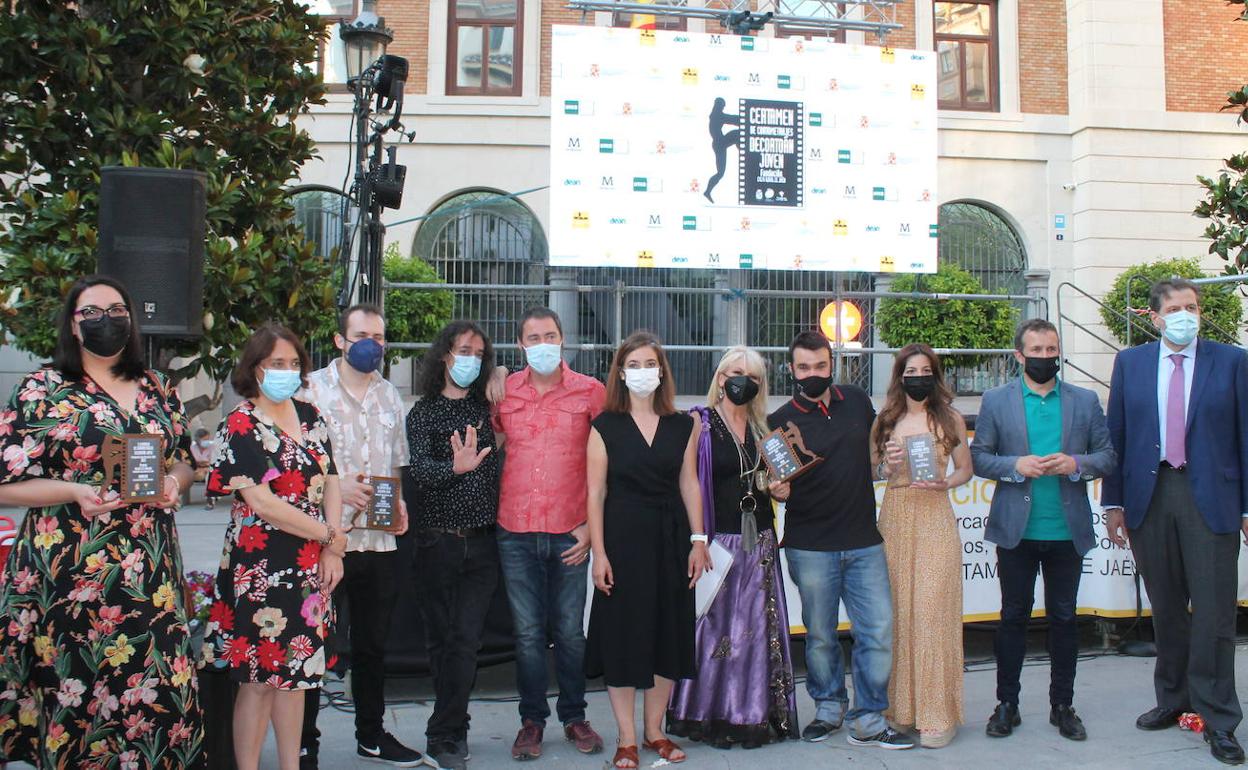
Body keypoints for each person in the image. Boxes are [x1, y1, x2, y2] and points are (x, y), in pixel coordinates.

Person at [0, 275, 205, 769]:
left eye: (115, 310)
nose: (104, 320)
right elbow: (5, 484)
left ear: (131, 320)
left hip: (149, 578)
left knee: (161, 701)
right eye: (90, 312)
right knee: (80, 705)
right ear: (72, 325)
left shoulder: (156, 388)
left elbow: (182, 460)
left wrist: (176, 483)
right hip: (71, 573)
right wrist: (73, 491)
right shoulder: (42, 389)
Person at [1102, 279, 1248, 765]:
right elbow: (1117, 435)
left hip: (1211, 498)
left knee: (1213, 613)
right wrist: (1114, 503)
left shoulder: (1231, 361)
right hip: (1150, 495)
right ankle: (1173, 697)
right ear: (1155, 316)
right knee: (1166, 608)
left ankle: (1219, 718)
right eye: (1176, 308)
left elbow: (1246, 436)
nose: (1187, 315)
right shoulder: (1131, 363)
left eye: (1193, 307)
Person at [201, 323, 345, 770]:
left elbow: (332, 481)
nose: (286, 371)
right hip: (260, 567)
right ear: (255, 369)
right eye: (275, 364)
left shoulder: (311, 416)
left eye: (292, 364)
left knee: (297, 677)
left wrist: (333, 546)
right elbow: (262, 503)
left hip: (310, 566)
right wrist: (328, 536)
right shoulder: (240, 423)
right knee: (259, 679)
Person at [971, 318, 1115, 743]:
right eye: (1037, 352)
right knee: (1013, 617)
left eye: (1052, 351)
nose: (1046, 358)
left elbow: (1106, 456)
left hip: (1067, 531)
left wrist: (1077, 464)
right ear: (1020, 356)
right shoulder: (997, 400)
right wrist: (1015, 466)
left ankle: (1063, 705)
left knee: (1065, 619)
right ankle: (1007, 704)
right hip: (1016, 530)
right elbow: (980, 457)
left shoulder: (1084, 400)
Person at [768, 330, 912, 750]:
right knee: (820, 635)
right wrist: (778, 490)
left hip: (865, 541)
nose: (813, 374)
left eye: (820, 366)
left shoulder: (858, 401)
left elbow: (873, 459)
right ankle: (828, 708)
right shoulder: (778, 422)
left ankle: (868, 716)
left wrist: (889, 464)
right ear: (791, 370)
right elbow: (778, 482)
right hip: (809, 545)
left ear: (832, 364)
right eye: (804, 368)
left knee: (878, 630)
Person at [299, 304, 428, 768]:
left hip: (378, 542)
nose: (371, 342)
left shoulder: (390, 395)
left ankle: (370, 736)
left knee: (374, 644)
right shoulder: (309, 390)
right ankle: (303, 742)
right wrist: (335, 485)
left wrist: (401, 507)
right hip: (324, 540)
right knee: (312, 645)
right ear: (340, 340)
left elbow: (394, 464)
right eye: (361, 334)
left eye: (379, 335)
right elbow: (297, 466)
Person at [585, 331, 710, 769]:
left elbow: (689, 483)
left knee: (667, 635)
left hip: (673, 539)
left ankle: (655, 731)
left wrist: (699, 539)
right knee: (623, 636)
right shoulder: (604, 426)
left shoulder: (685, 425)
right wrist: (599, 553)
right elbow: (595, 494)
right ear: (620, 372)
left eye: (649, 364)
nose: (642, 372)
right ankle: (626, 738)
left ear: (662, 371)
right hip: (622, 540)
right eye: (633, 364)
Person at [667, 346, 800, 749]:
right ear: (720, 377)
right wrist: (696, 538)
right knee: (713, 632)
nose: (743, 381)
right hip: (717, 540)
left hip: (759, 541)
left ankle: (750, 713)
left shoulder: (766, 430)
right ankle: (710, 713)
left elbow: (784, 487)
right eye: (736, 372)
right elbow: (686, 482)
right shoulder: (699, 423)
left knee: (754, 633)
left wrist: (782, 489)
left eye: (753, 376)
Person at [493, 307, 606, 761]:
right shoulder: (503, 392)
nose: (543, 343)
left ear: (563, 340)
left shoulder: (590, 392)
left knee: (570, 633)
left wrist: (591, 528)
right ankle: (531, 721)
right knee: (526, 634)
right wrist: (495, 374)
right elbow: (491, 444)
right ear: (521, 344)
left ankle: (575, 716)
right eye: (533, 337)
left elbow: (607, 463)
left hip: (570, 532)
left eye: (550, 335)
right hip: (514, 529)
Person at [405, 320, 501, 770]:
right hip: (436, 544)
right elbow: (420, 471)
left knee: (466, 642)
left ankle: (445, 735)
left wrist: (500, 378)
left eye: (479, 354)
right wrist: (456, 468)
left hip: (483, 546)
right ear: (445, 355)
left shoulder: (488, 408)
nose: (471, 360)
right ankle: (449, 730)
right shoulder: (422, 412)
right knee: (441, 642)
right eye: (464, 350)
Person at [870, 343, 972, 749]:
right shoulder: (885, 420)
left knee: (932, 614)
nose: (918, 377)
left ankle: (937, 713)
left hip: (934, 516)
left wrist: (946, 482)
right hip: (895, 518)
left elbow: (966, 469)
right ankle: (902, 711)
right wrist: (887, 466)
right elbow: (872, 470)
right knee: (901, 615)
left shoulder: (949, 418)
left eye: (925, 370)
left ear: (935, 374)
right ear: (900, 376)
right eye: (911, 371)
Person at [191, 428, 216, 508]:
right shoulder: (192, 447)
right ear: (198, 439)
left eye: (208, 439)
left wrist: (202, 463)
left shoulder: (212, 447)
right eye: (204, 439)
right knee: (203, 473)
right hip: (196, 470)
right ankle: (211, 495)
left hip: (208, 469)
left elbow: (213, 460)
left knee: (209, 474)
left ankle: (210, 497)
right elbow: (192, 461)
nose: (207, 441)